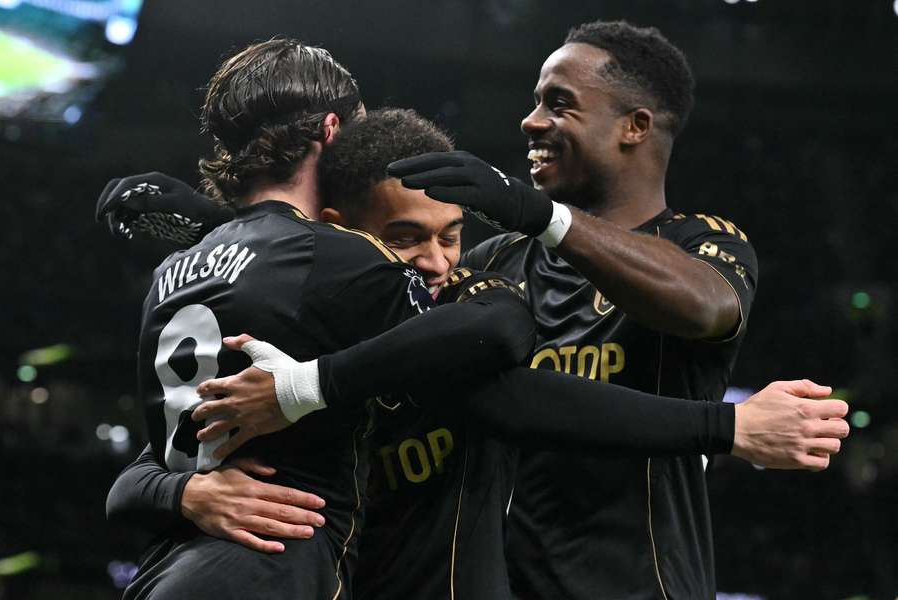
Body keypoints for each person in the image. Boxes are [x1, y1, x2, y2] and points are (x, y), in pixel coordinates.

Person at [103, 105, 848, 599]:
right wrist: (187, 493)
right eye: (405, 239)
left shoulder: (464, 305)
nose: (434, 259)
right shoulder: (292, 335)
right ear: (337, 233)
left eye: (450, 235)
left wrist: (729, 429)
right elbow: (141, 472)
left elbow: (521, 385)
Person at [386, 19, 774, 600]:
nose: (531, 120)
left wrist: (546, 219)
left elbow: (704, 307)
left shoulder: (703, 242)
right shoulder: (497, 260)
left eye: (558, 104)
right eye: (536, 101)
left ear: (635, 127)